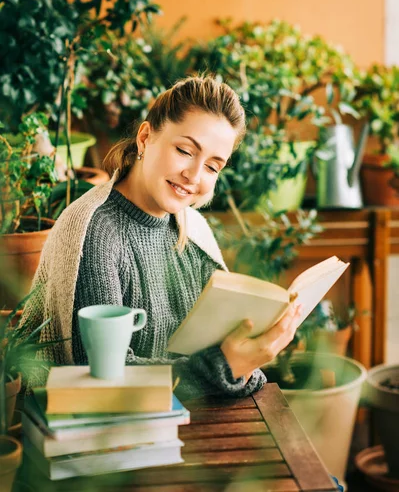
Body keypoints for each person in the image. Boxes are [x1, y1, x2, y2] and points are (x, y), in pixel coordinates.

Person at [21, 76, 302, 400]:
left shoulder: (192, 230)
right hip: (90, 438)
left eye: (213, 167)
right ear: (145, 138)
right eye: (185, 150)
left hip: (183, 428)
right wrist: (227, 367)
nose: (194, 176)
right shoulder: (95, 232)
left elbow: (221, 361)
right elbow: (103, 385)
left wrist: (250, 355)